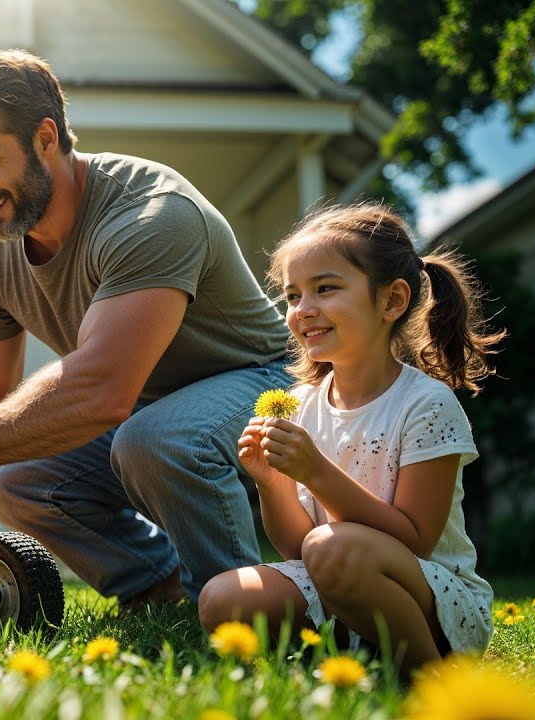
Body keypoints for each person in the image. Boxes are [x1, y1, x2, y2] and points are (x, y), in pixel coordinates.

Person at [0, 49, 292, 607]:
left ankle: (241, 610)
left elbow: (101, 388)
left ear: (45, 138)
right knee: (10, 480)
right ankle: (160, 595)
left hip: (267, 383)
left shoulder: (151, 214)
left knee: (157, 438)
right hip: (145, 405)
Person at [197, 204, 502, 673]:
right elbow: (298, 549)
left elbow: (416, 539)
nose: (304, 310)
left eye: (325, 288)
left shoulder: (425, 403)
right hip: (335, 571)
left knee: (331, 547)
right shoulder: (301, 403)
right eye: (292, 296)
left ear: (392, 301)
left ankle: (431, 678)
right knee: (221, 598)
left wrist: (316, 471)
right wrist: (271, 481)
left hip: (431, 593)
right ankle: (359, 650)